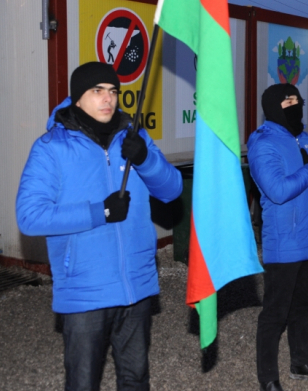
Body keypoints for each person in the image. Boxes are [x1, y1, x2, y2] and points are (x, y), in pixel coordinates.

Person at [16, 61, 183, 391]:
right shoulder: (51, 148)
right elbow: (30, 215)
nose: (108, 99)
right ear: (77, 99)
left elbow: (173, 189)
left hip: (136, 285)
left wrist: (146, 160)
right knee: (83, 382)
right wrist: (99, 213)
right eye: (97, 91)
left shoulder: (134, 137)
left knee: (135, 379)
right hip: (85, 291)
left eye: (113, 92)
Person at [247, 83, 308, 391]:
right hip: (285, 242)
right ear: (273, 106)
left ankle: (301, 362)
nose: (294, 105)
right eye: (287, 101)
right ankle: (268, 379)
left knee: (304, 307)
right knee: (275, 314)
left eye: (297, 99)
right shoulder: (263, 143)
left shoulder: (303, 137)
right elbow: (278, 191)